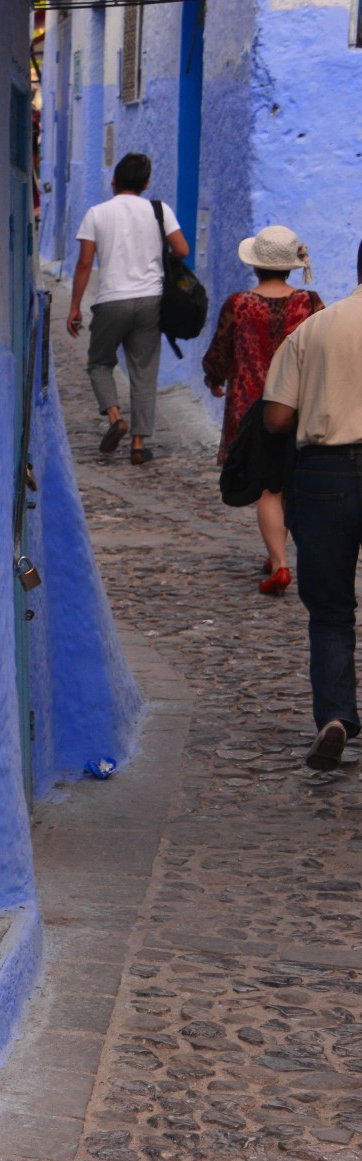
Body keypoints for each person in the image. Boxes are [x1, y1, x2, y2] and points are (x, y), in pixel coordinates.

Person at [265, 238, 362, 770]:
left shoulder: (316, 328)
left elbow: (277, 418)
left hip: (326, 474)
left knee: (329, 610)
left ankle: (335, 715)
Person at [202, 226, 323, 595]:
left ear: (256, 267)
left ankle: (281, 565)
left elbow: (220, 350)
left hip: (252, 407)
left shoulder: (239, 304)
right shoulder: (310, 303)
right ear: (290, 267)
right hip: (299, 405)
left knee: (268, 488)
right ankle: (276, 554)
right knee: (286, 480)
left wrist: (214, 379)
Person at [66, 153, 191, 465]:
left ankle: (114, 416)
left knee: (99, 363)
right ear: (146, 183)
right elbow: (182, 249)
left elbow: (84, 263)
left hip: (111, 300)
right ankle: (138, 444)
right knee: (144, 371)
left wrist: (75, 307)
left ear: (113, 181)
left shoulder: (97, 213)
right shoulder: (160, 211)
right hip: (151, 301)